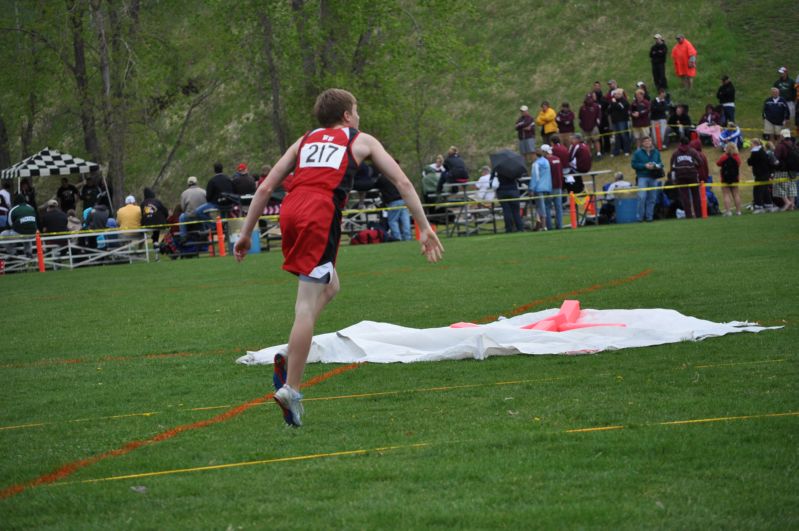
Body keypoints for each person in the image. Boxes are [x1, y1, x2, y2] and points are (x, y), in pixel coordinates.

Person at [233, 88, 443, 427]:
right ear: (347, 115)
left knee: (330, 285)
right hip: (319, 212)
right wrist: (424, 227)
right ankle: (292, 388)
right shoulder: (360, 140)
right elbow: (402, 181)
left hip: (292, 209)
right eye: (356, 110)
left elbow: (264, 187)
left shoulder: (305, 140)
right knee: (306, 302)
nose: (358, 116)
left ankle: (291, 352)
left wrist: (245, 233)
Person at [631, 135, 664, 222]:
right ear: (642, 143)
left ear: (651, 142)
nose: (648, 143)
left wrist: (655, 165)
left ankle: (649, 217)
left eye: (649, 141)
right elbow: (633, 165)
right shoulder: (637, 153)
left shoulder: (656, 152)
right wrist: (644, 166)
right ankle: (640, 218)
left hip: (654, 177)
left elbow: (661, 164)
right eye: (645, 141)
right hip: (642, 177)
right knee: (642, 197)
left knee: (652, 198)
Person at [669, 137, 702, 219]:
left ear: (680, 143)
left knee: (685, 197)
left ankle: (689, 215)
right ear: (688, 143)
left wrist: (673, 178)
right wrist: (695, 167)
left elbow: (672, 166)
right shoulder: (693, 151)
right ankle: (698, 214)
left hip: (680, 177)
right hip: (692, 175)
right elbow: (700, 162)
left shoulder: (675, 153)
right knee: (696, 196)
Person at [374, 168, 412, 241]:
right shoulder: (396, 176)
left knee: (392, 221)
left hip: (393, 201)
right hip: (403, 199)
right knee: (405, 219)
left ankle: (397, 238)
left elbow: (374, 185)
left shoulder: (382, 178)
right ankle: (408, 237)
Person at [491, 159, 526, 233]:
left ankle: (509, 228)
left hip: (502, 191)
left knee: (506, 211)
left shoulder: (497, 169)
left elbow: (491, 180)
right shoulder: (513, 168)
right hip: (513, 190)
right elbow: (519, 178)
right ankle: (520, 228)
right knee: (516, 211)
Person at [747, 139, 775, 213]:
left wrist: (748, 160)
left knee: (757, 190)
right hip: (765, 173)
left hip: (760, 174)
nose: (750, 145)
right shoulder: (762, 151)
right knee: (765, 190)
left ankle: (759, 207)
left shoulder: (755, 151)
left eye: (751, 144)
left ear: (755, 144)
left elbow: (750, 162)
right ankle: (768, 205)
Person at [773, 129, 797, 211]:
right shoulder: (793, 144)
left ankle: (787, 202)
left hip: (782, 170)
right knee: (791, 187)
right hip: (793, 170)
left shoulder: (780, 146)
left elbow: (776, 158)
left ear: (782, 136)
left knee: (777, 185)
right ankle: (792, 204)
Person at [530, 145, 553, 231]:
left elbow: (535, 177)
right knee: (545, 207)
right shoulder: (547, 162)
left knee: (540, 207)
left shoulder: (536, 164)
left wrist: (531, 188)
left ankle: (543, 226)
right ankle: (541, 225)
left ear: (535, 155)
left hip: (539, 188)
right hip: (547, 187)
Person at [716, 142, 742, 216]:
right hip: (735, 178)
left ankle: (728, 211)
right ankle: (738, 211)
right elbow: (739, 163)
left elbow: (718, 163)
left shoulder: (724, 156)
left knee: (726, 195)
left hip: (725, 178)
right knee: (736, 194)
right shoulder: (737, 157)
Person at [578, 93, 602, 158]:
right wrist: (581, 125)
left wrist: (596, 124)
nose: (588, 100)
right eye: (587, 98)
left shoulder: (596, 106)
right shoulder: (582, 107)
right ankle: (589, 155)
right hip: (585, 127)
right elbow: (580, 117)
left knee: (596, 140)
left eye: (590, 98)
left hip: (594, 127)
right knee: (587, 141)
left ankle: (598, 153)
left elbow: (599, 116)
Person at [608, 88, 631, 156]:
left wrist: (614, 103)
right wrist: (612, 104)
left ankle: (627, 150)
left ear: (621, 94)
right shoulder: (612, 101)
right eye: (615, 94)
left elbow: (620, 107)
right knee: (616, 136)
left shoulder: (624, 101)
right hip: (614, 121)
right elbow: (609, 110)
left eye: (617, 94)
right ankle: (616, 151)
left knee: (624, 135)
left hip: (622, 121)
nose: (616, 95)